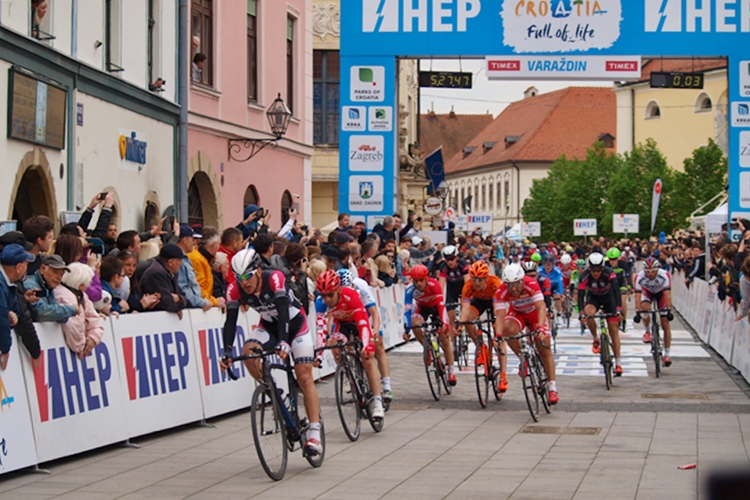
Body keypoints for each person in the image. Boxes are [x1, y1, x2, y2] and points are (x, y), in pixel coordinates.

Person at [222, 249, 322, 455]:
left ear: (259, 271)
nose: (244, 282)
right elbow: (230, 322)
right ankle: (276, 394)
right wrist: (227, 351)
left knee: (304, 376)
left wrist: (284, 342)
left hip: (295, 325)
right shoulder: (234, 289)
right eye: (239, 278)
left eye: (248, 276)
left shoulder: (274, 278)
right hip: (269, 327)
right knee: (249, 353)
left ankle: (314, 433)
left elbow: (284, 312)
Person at [317, 270, 385, 419]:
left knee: (368, 360)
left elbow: (363, 323)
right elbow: (320, 330)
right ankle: (348, 373)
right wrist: (319, 356)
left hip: (358, 321)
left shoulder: (350, 295)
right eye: (323, 295)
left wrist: (367, 345)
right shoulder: (320, 303)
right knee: (334, 345)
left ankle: (378, 403)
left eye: (330, 295)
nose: (327, 299)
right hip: (341, 324)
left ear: (338, 290)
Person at [493, 264, 559, 404]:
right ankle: (524, 358)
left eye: (516, 284)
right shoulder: (502, 290)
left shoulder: (531, 284)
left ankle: (552, 388)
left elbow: (541, 308)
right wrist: (498, 335)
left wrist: (540, 327)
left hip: (535, 314)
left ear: (522, 280)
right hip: (518, 313)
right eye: (510, 285)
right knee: (507, 329)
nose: (513, 289)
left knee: (544, 347)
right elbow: (500, 315)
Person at [333, 268, 393, 400]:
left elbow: (374, 313)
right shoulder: (336, 295)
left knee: (378, 346)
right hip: (348, 316)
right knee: (345, 341)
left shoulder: (361, 286)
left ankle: (386, 385)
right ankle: (350, 371)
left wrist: (375, 330)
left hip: (365, 314)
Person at [403, 264, 457, 386]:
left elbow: (441, 305)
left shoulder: (434, 284)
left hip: (436, 308)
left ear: (426, 278)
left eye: (421, 280)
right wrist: (406, 329)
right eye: (416, 281)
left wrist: (444, 323)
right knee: (415, 323)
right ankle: (427, 346)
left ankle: (451, 371)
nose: (419, 283)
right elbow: (407, 311)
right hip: (422, 308)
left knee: (444, 338)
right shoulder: (409, 290)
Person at [459, 260, 507, 393]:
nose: (477, 283)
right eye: (474, 279)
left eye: (480, 280)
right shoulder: (468, 286)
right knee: (468, 320)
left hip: (493, 301)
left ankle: (503, 376)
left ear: (486, 278)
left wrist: (497, 324)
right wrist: (460, 326)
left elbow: (497, 308)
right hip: (479, 301)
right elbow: (465, 310)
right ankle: (480, 347)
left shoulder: (494, 282)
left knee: (499, 336)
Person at [578, 252, 624, 375]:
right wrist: (582, 313)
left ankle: (618, 363)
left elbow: (616, 291)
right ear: (589, 268)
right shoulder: (584, 276)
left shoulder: (609, 273)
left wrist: (618, 309)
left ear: (602, 268)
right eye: (593, 270)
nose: (596, 273)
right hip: (594, 298)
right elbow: (580, 296)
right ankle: (595, 338)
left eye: (598, 270)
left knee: (613, 330)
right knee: (588, 313)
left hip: (609, 299)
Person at [57, 263, 104, 357]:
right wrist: (81, 346)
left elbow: (94, 318)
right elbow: (73, 325)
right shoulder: (64, 296)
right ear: (81, 286)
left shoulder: (82, 296)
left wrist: (93, 338)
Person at [0, 244, 36, 369]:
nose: (27, 269)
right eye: (26, 265)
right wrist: (5, 348)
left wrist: (13, 316)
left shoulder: (7, 283)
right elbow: (1, 319)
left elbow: (10, 312)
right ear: (19, 267)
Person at [634, 257, 674, 366]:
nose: (650, 274)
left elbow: (667, 294)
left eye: (653, 271)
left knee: (665, 322)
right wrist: (637, 312)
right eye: (647, 272)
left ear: (657, 269)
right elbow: (637, 296)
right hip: (647, 292)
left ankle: (667, 354)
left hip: (661, 293)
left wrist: (669, 310)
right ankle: (647, 331)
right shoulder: (639, 277)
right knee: (645, 307)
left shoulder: (664, 275)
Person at [24, 255, 79, 323]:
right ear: (43, 269)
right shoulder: (31, 285)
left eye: (61, 274)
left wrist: (62, 312)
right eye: (55, 272)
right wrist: (71, 309)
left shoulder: (48, 286)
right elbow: (41, 313)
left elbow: (61, 318)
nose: (59, 277)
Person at [140, 244, 187, 318]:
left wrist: (179, 298)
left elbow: (184, 296)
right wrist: (177, 307)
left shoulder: (171, 273)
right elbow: (166, 303)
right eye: (179, 260)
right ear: (170, 262)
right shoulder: (156, 273)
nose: (181, 264)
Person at [188, 227, 226, 311]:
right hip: (198, 307)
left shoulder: (203, 258)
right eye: (219, 245)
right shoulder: (197, 259)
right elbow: (197, 289)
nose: (219, 248)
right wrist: (215, 301)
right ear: (214, 245)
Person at [175, 225, 212, 311]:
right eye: (192, 239)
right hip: (189, 308)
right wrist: (201, 303)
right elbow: (183, 288)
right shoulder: (179, 261)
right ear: (185, 240)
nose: (194, 242)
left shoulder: (186, 259)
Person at [438, 245, 469, 341]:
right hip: (452, 289)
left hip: (463, 287)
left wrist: (466, 300)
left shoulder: (463, 264)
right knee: (451, 316)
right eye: (447, 259)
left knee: (466, 311)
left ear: (457, 257)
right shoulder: (443, 267)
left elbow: (468, 283)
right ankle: (453, 343)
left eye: (452, 259)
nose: (450, 262)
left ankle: (463, 328)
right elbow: (440, 286)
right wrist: (439, 301)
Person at [606, 247, 632, 332]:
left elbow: (627, 276)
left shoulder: (623, 264)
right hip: (610, 284)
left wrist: (630, 286)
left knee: (622, 301)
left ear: (618, 258)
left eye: (614, 259)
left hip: (621, 284)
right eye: (610, 259)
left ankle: (623, 320)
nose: (612, 261)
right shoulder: (605, 265)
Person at [538, 253, 564, 317]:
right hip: (543, 287)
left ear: (553, 264)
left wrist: (561, 294)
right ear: (543, 264)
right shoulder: (538, 270)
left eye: (550, 264)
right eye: (546, 264)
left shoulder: (557, 271)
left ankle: (559, 313)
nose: (548, 266)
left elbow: (560, 282)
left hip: (554, 287)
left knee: (557, 297)